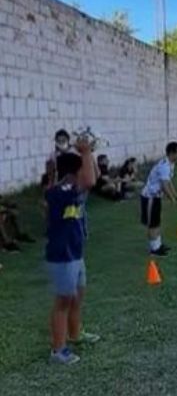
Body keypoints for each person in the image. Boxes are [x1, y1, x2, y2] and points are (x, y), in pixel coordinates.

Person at [45, 137, 100, 365]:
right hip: (62, 256)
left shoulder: (72, 189)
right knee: (63, 302)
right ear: (73, 172)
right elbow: (89, 181)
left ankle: (75, 334)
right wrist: (85, 153)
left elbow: (91, 176)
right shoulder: (59, 191)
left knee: (77, 298)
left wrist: (89, 154)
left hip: (75, 254)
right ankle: (58, 350)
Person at [141, 142, 177, 257]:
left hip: (156, 197)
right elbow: (164, 185)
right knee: (152, 224)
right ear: (171, 153)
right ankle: (154, 250)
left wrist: (175, 195)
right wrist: (171, 199)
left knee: (157, 222)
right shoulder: (164, 166)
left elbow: (169, 182)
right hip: (150, 197)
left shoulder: (170, 164)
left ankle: (158, 245)